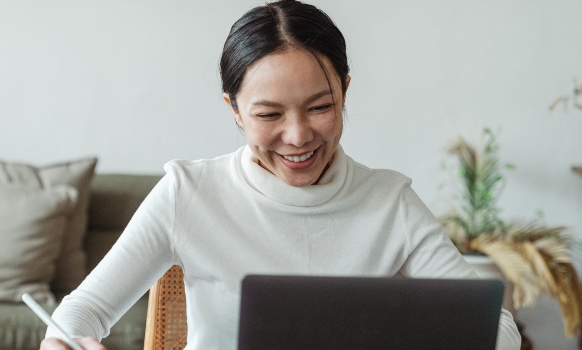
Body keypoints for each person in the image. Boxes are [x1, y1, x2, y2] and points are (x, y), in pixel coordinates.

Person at [42, 1, 521, 349]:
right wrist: (65, 342)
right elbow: (79, 314)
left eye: (320, 107)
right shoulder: (188, 194)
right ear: (233, 109)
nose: (297, 137)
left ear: (345, 92)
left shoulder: (389, 202)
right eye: (269, 115)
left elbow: (494, 329)